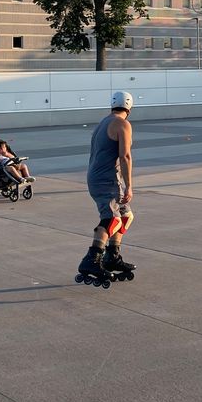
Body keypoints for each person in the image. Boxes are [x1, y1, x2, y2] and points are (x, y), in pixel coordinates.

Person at [78, 91, 137, 283]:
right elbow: (125, 156)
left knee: (126, 216)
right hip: (106, 179)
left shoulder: (104, 122)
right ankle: (92, 259)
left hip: (104, 178)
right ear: (129, 107)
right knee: (112, 220)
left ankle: (112, 256)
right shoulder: (123, 124)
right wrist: (129, 186)